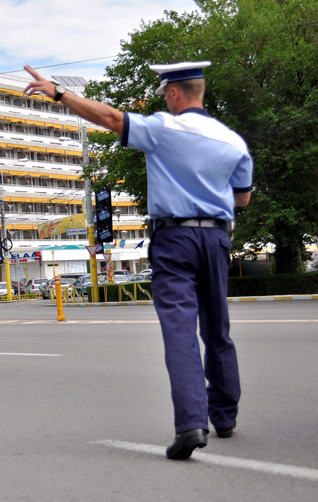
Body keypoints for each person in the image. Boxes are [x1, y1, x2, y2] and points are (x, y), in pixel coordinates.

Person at [24, 61, 253, 460]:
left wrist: (58, 93)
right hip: (216, 237)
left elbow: (111, 118)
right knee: (218, 329)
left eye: (166, 93)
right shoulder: (234, 142)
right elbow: (242, 198)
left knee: (180, 330)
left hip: (175, 239)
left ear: (174, 93)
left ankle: (191, 425)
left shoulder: (163, 128)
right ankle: (225, 418)